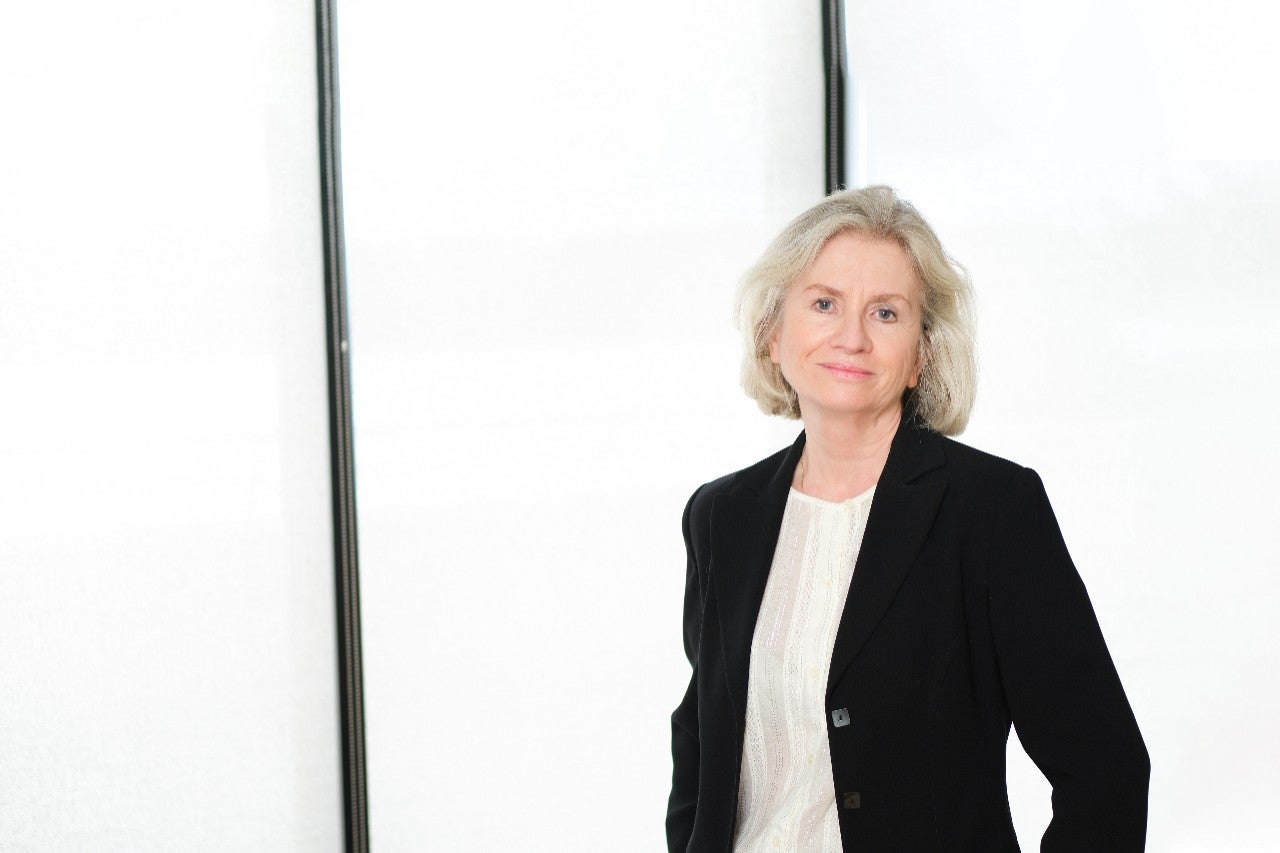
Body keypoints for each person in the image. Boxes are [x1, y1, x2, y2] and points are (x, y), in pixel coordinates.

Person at [666, 186, 1149, 852]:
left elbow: (1106, 769)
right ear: (774, 333)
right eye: (824, 303)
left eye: (886, 313)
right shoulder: (722, 516)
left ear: (921, 354)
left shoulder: (991, 510)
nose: (852, 337)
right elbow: (701, 744)